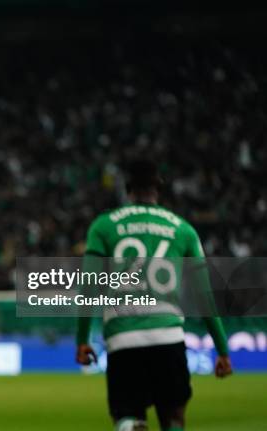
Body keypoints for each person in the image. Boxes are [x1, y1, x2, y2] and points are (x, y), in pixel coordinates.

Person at [75, 159, 232, 431]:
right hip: (168, 337)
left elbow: (89, 285)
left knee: (126, 413)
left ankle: (129, 426)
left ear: (128, 188)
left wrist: (82, 340)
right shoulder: (183, 229)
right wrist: (222, 349)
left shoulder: (104, 226)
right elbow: (204, 295)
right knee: (174, 418)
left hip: (123, 339)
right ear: (159, 187)